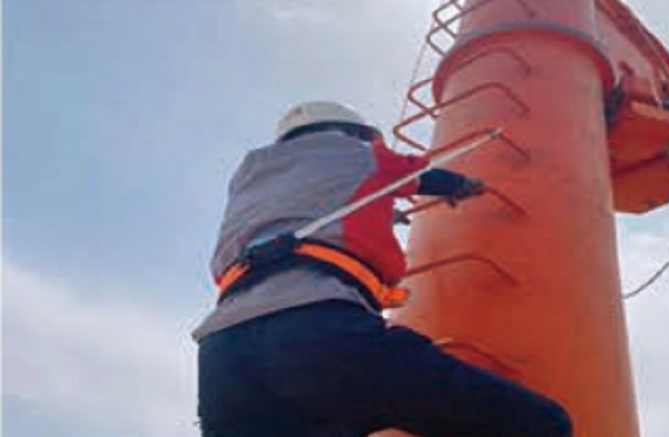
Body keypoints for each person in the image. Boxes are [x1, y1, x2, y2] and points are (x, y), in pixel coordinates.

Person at [193, 101, 572, 437]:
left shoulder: (249, 177)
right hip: (317, 330)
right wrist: (460, 184)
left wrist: (380, 215)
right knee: (538, 425)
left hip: (223, 354)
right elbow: (414, 174)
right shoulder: (359, 153)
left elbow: (297, 210)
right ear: (352, 132)